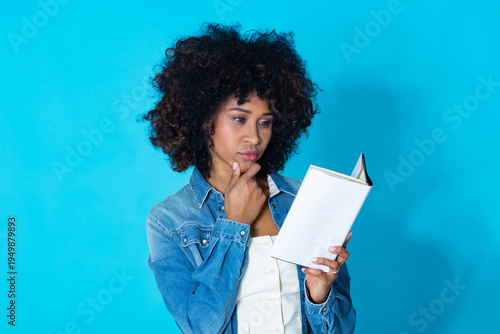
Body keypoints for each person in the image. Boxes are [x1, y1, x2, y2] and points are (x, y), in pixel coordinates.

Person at [141, 22, 356, 333]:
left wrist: (319, 293)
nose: (254, 137)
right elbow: (201, 326)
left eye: (265, 122)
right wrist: (234, 225)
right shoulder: (170, 221)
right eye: (239, 119)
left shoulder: (307, 199)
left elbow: (341, 328)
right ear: (203, 119)